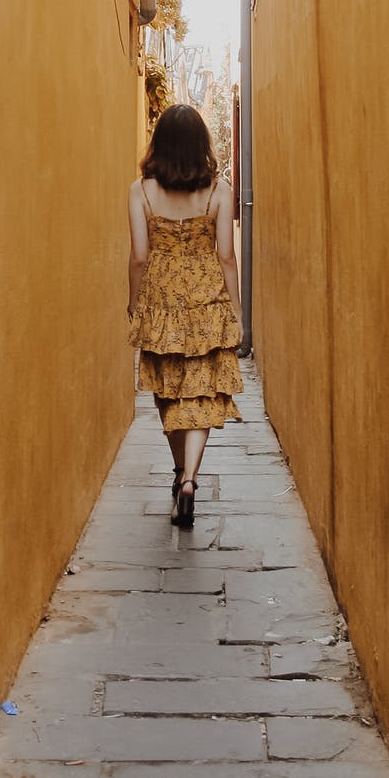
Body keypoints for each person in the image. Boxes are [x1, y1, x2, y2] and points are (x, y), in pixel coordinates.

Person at [125, 104, 243, 529]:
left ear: (161, 143)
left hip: (161, 302)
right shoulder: (218, 190)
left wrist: (134, 303)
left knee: (169, 390)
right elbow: (226, 256)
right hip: (206, 302)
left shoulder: (140, 191)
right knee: (201, 395)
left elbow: (140, 257)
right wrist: (236, 311)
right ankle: (191, 478)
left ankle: (178, 475)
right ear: (201, 144)